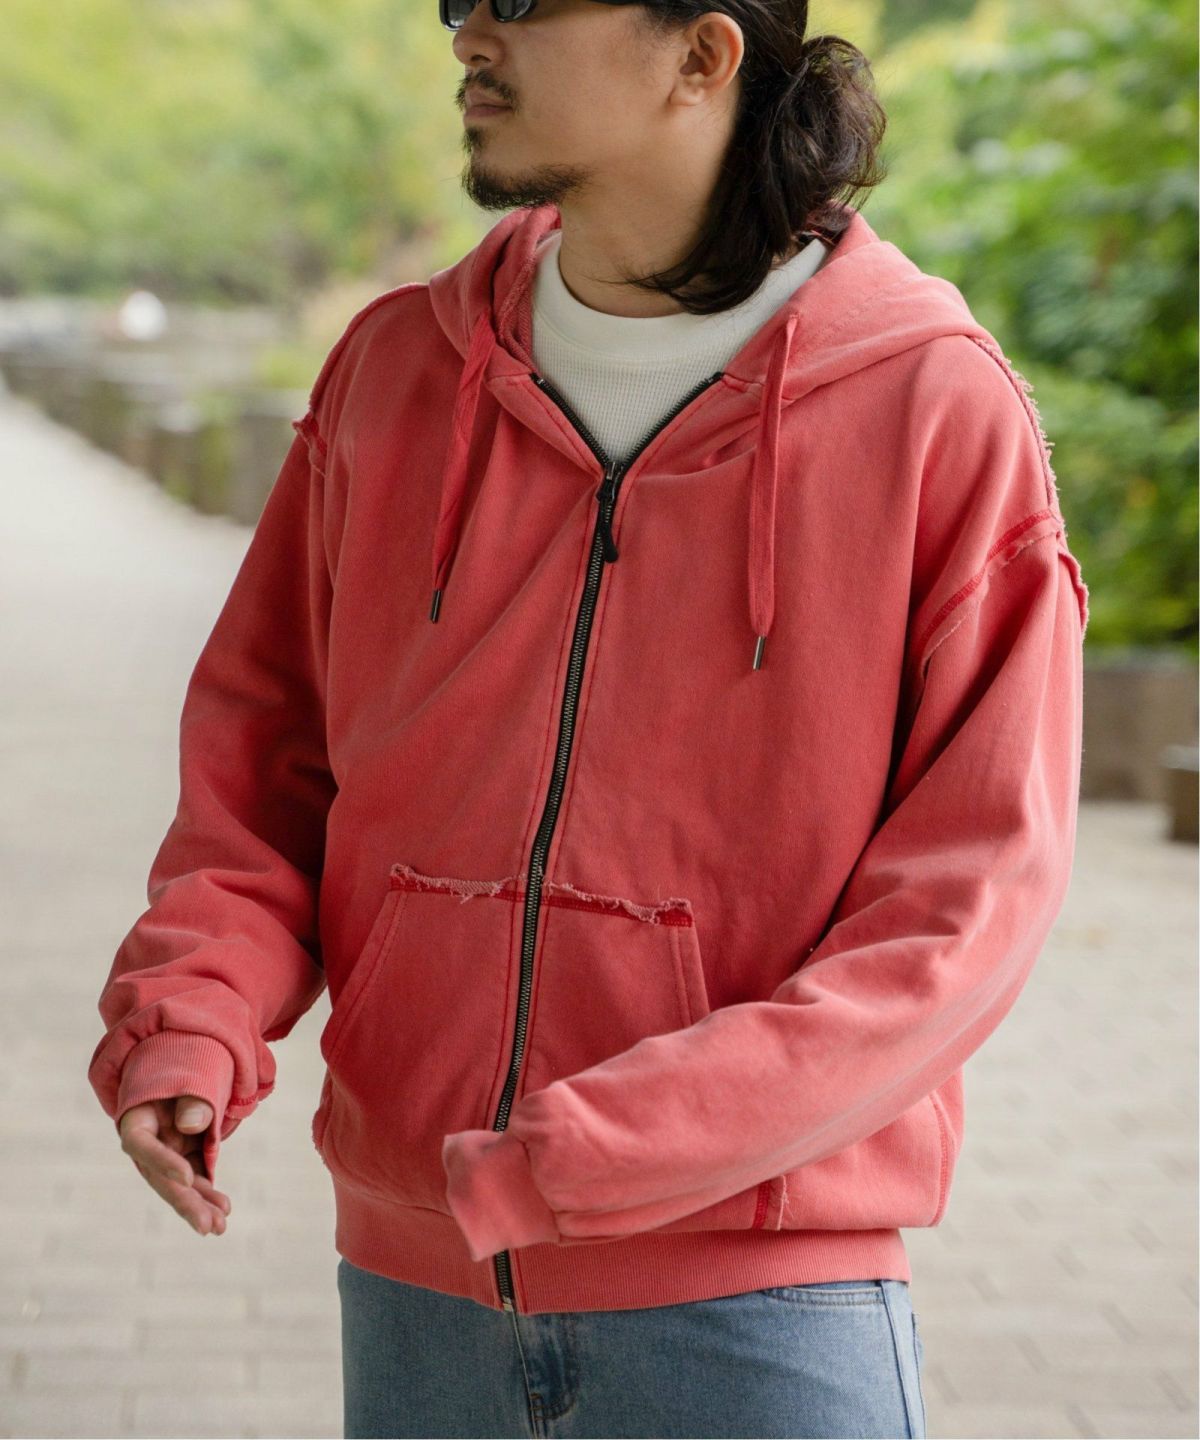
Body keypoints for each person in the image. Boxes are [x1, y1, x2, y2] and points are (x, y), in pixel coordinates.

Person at [88, 0, 1090, 1435]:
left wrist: (608, 1149)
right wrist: (194, 1015)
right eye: (457, 2)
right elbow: (265, 763)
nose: (467, 37)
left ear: (704, 53)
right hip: (417, 1296)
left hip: (758, 1305)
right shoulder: (394, 371)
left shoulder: (934, 407)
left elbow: (968, 903)